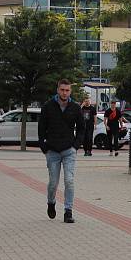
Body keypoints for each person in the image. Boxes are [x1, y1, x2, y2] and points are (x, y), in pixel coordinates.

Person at [38, 79, 84, 224]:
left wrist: (75, 146)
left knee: (69, 181)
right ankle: (51, 202)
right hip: (52, 151)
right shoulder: (48, 106)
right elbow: (41, 128)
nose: (64, 92)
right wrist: (44, 146)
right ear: (58, 90)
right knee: (53, 183)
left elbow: (82, 128)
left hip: (69, 150)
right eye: (62, 90)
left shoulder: (75, 107)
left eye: (67, 90)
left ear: (70, 91)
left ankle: (68, 211)